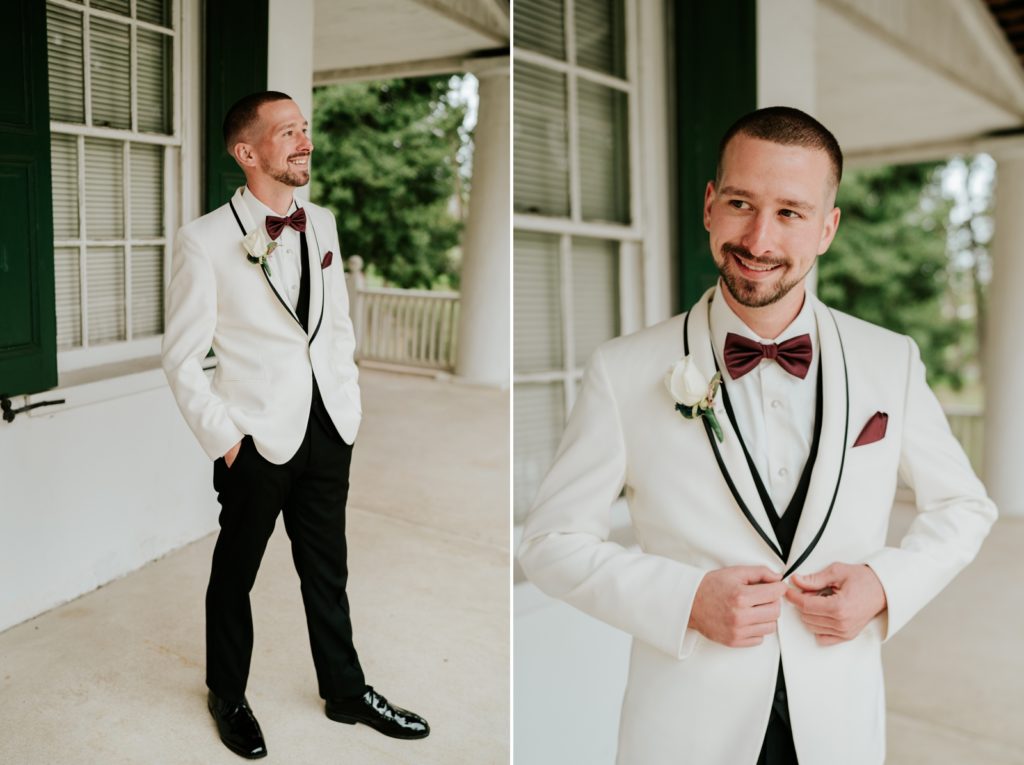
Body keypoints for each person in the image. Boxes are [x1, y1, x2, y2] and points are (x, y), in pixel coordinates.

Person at [517, 106, 996, 765]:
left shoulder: (892, 360)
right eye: (741, 202)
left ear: (827, 227)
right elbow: (549, 542)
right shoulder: (623, 371)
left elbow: (964, 507)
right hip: (686, 728)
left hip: (838, 724)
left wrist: (883, 586)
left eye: (791, 212)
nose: (759, 238)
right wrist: (685, 599)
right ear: (710, 205)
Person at [161, 91, 428, 760]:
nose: (303, 141)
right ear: (247, 152)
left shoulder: (326, 224)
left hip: (327, 429)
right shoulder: (204, 240)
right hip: (254, 439)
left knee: (327, 571)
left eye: (304, 129)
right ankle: (228, 693)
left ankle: (345, 690)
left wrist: (349, 403)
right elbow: (181, 357)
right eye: (287, 132)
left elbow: (333, 327)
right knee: (236, 574)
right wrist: (227, 442)